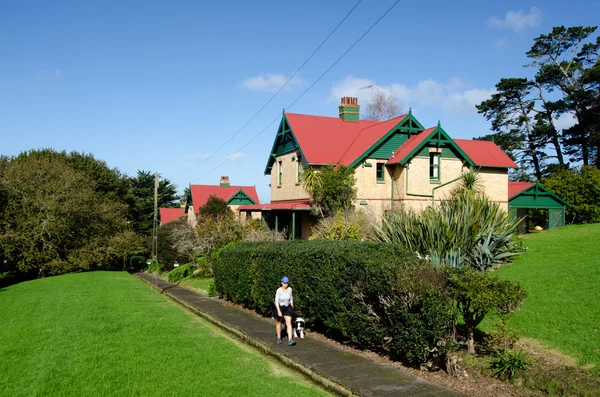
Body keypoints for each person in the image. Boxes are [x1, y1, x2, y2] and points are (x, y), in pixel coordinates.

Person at [274, 276, 296, 346]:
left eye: (287, 283)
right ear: (281, 283)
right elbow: (276, 302)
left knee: (289, 323)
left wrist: (292, 304)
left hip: (287, 307)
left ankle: (290, 339)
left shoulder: (290, 289)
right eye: (285, 283)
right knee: (279, 322)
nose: (286, 284)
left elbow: (291, 298)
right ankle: (279, 338)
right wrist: (278, 311)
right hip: (280, 307)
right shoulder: (279, 290)